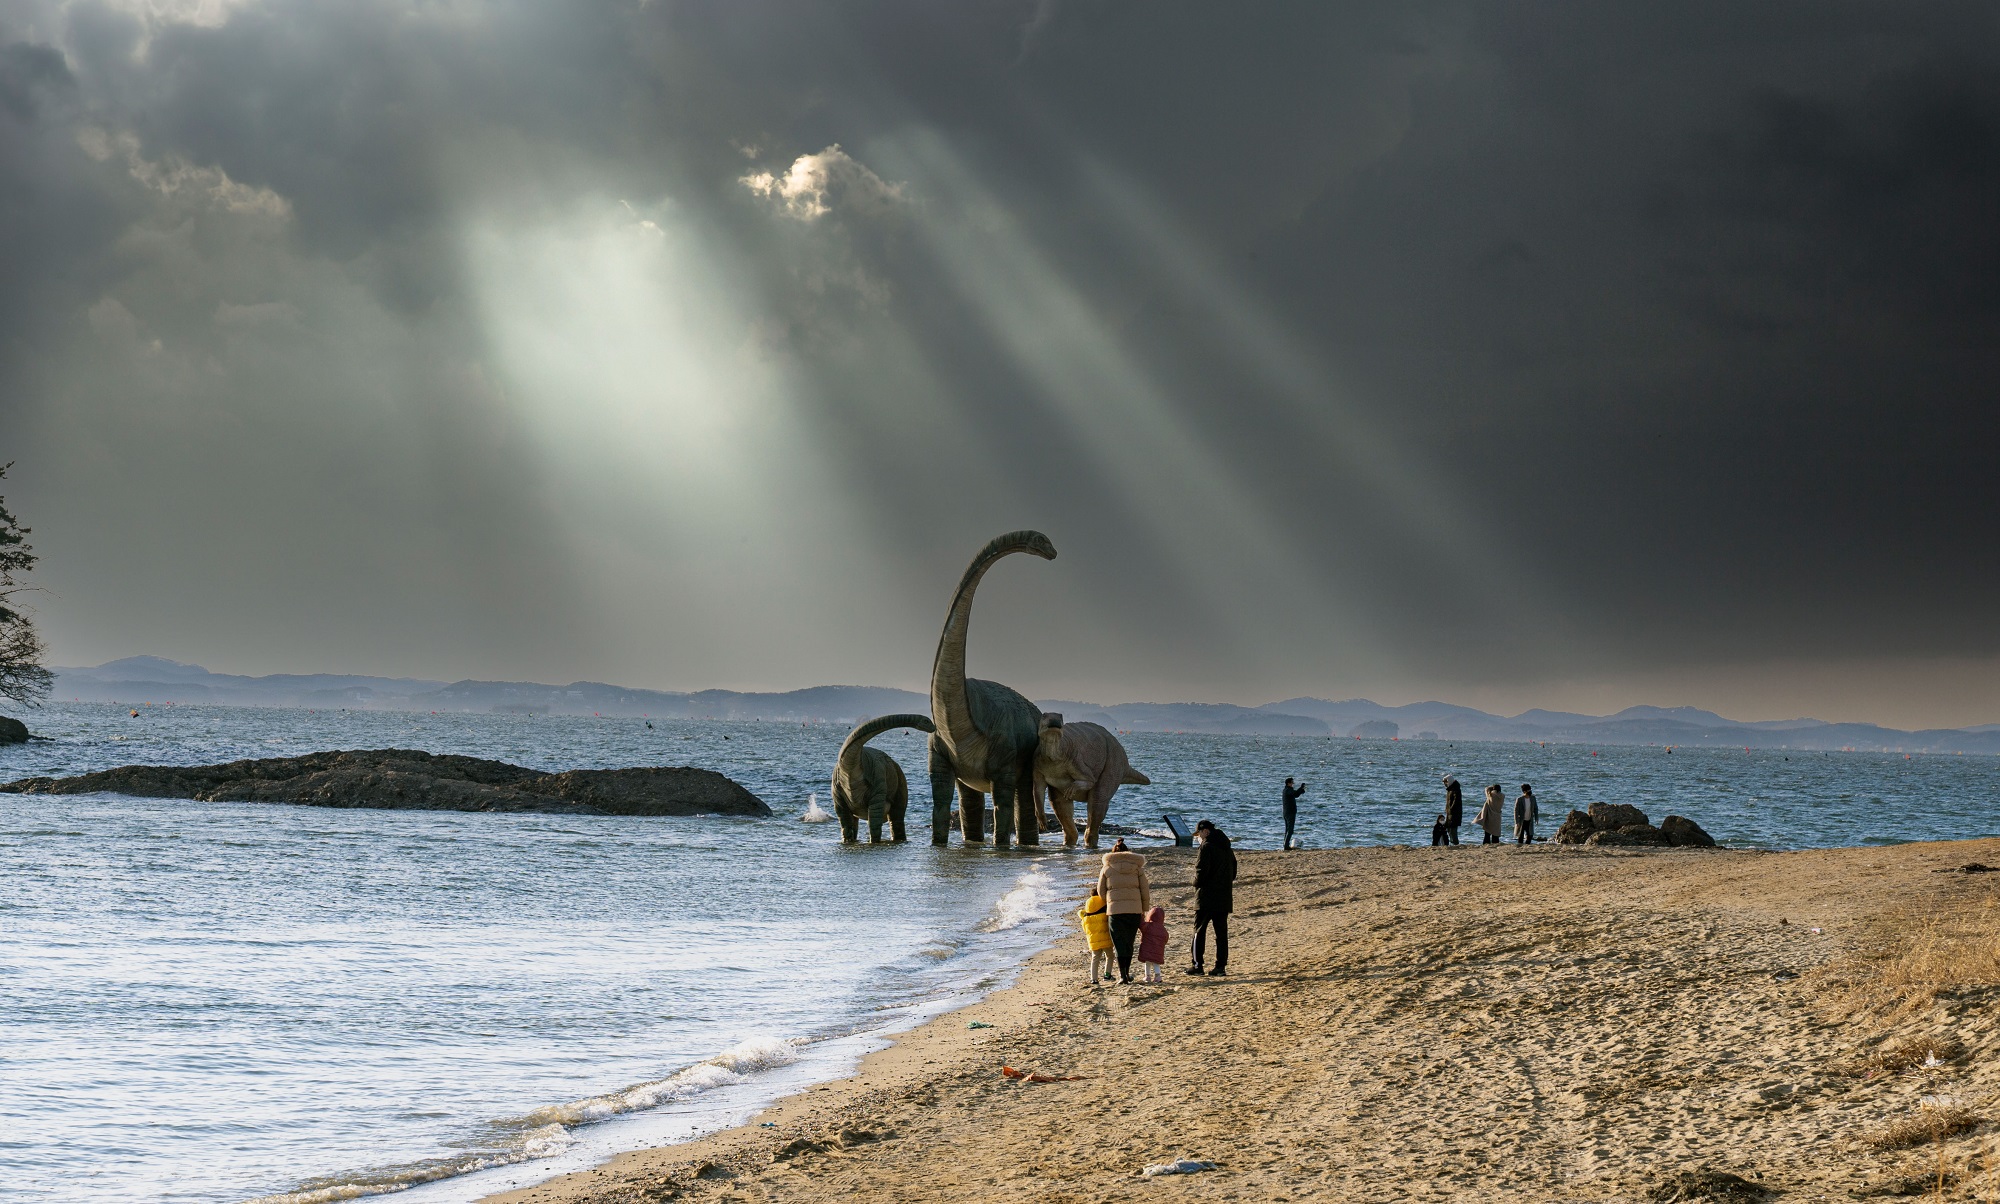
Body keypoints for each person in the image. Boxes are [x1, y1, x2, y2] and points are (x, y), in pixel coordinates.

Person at [1097, 838, 1152, 984]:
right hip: (1134, 911)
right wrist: (1144, 909)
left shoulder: (1106, 868)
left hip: (1115, 911)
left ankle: (1122, 976)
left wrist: (1110, 901)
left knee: (1119, 944)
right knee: (1129, 942)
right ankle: (1127, 974)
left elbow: (1100, 891)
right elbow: (1145, 891)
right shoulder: (1137, 869)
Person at [1188, 820, 1236, 976]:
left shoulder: (1206, 847)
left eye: (1199, 834)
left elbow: (1201, 872)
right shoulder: (1227, 847)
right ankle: (1220, 967)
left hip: (1206, 897)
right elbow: (1233, 872)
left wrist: (1194, 882)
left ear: (1205, 831)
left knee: (1199, 931)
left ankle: (1197, 965)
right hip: (1223, 896)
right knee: (1221, 934)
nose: (1198, 837)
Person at [1078, 887, 1113, 984]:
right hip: (1106, 939)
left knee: (1095, 958)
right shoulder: (1105, 914)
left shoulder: (1085, 918)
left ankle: (1093, 978)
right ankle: (1107, 975)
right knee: (1110, 956)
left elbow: (1085, 930)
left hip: (1093, 941)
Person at [1137, 905, 1168, 983]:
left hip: (1147, 949)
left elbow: (1141, 925)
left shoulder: (1148, 926)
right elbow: (1166, 937)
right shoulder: (1162, 928)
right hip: (1158, 950)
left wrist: (1141, 916)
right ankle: (1158, 976)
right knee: (1156, 963)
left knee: (1147, 963)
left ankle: (1147, 976)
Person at [1282, 777, 1308, 850]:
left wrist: (1302, 790)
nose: (1293, 784)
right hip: (1289, 813)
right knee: (1290, 830)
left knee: (1288, 830)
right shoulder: (1287, 790)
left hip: (1287, 812)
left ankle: (1285, 845)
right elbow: (1295, 793)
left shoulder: (1287, 790)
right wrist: (1301, 788)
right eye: (1292, 783)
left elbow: (1296, 795)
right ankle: (1286, 846)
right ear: (1288, 783)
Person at [1442, 776, 1463, 846]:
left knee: (1453, 830)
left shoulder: (1455, 790)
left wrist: (1451, 809)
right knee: (1448, 828)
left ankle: (1455, 843)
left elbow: (1456, 801)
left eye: (1446, 782)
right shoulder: (1450, 789)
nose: (1445, 784)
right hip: (1449, 813)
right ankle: (1453, 843)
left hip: (1454, 813)